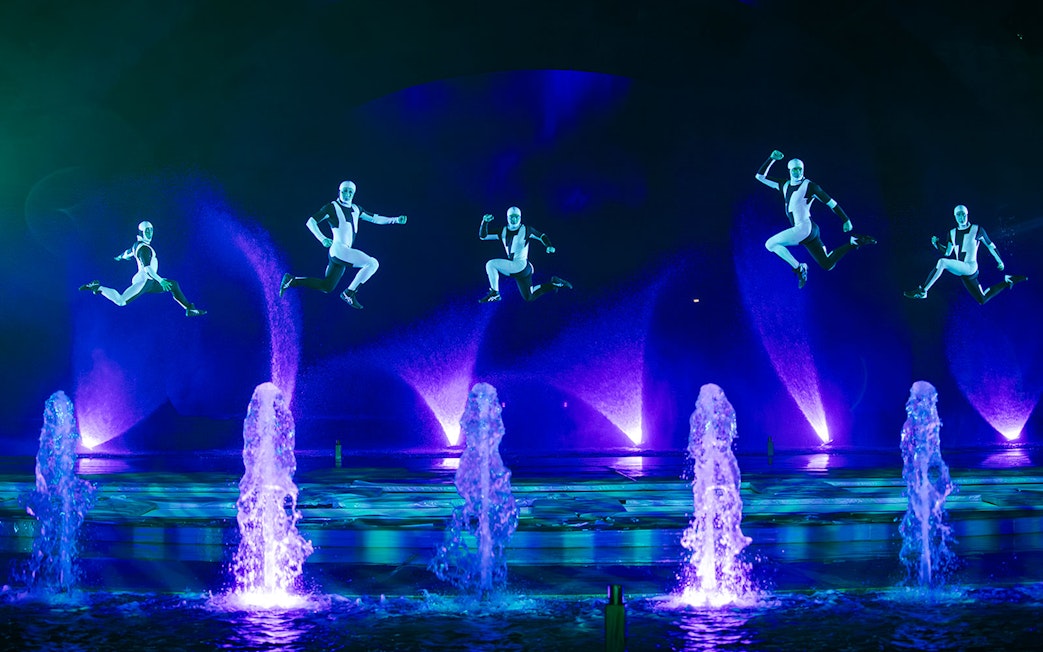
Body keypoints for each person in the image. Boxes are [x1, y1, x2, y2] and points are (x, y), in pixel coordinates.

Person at [755, 149, 876, 288]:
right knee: (827, 264)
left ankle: (799, 268)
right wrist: (772, 159)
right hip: (810, 231)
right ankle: (854, 242)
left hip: (804, 228)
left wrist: (846, 219)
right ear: (789, 170)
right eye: (794, 169)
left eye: (800, 169)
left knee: (770, 244)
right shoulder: (784, 185)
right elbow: (760, 176)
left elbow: (831, 202)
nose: (798, 172)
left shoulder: (810, 186)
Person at [279, 180, 407, 309]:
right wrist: (322, 238)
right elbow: (311, 222)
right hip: (339, 249)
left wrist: (395, 220)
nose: (348, 194)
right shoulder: (332, 207)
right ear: (339, 191)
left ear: (354, 193)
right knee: (372, 263)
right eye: (345, 191)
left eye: (350, 191)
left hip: (341, 253)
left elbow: (375, 218)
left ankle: (292, 280)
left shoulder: (356, 209)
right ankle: (349, 293)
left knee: (327, 286)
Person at [904, 204, 1027, 303]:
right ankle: (1008, 281)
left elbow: (991, 246)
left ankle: (923, 291)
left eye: (963, 214)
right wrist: (937, 244)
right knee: (982, 299)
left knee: (941, 262)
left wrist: (1000, 261)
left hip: (970, 267)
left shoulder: (977, 229)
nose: (961, 217)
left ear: (967, 214)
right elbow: (947, 252)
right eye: (958, 215)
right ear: (954, 217)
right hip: (963, 271)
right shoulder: (951, 233)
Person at [79, 221, 206, 317]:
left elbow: (128, 253)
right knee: (121, 301)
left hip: (151, 282)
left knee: (174, 285)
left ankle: (189, 309)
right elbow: (147, 268)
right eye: (147, 231)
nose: (150, 234)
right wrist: (160, 280)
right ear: (141, 233)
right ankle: (97, 287)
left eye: (151, 230)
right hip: (145, 281)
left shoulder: (138, 246)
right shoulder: (144, 249)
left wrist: (119, 257)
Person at [478, 206, 572, 303]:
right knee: (529, 296)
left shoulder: (527, 230)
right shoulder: (503, 231)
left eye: (516, 217)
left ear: (520, 217)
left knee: (491, 264)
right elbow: (483, 236)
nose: (514, 219)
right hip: (523, 268)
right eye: (511, 217)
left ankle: (494, 293)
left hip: (519, 266)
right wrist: (484, 223)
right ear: (507, 217)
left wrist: (549, 245)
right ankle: (554, 284)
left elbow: (541, 236)